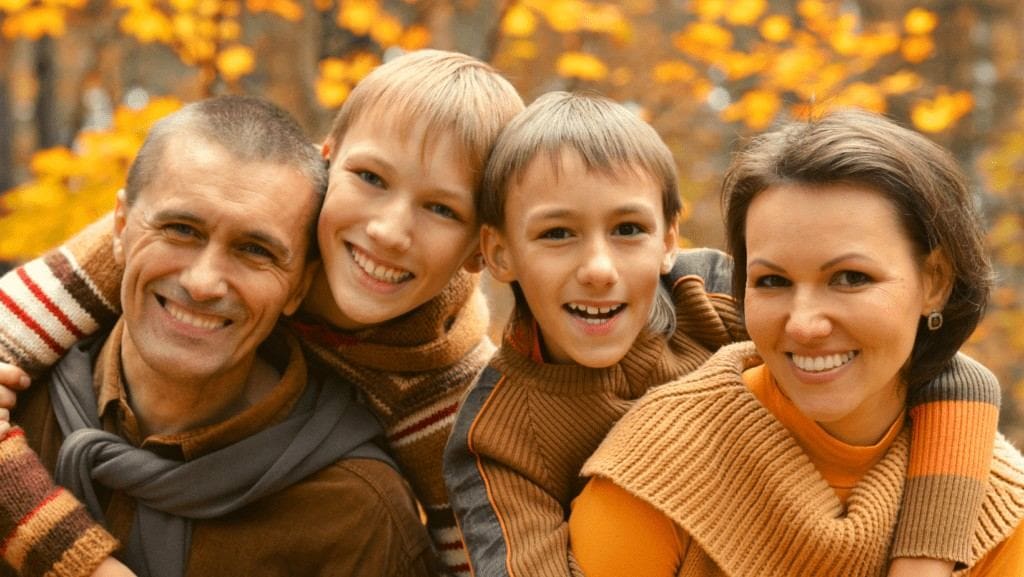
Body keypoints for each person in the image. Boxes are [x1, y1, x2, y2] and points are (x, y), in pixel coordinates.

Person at [0, 48, 524, 577]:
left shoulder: (445, 384)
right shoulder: (213, 221)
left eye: (441, 208)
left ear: (482, 249)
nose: (389, 230)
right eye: (370, 177)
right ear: (327, 163)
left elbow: (489, 557)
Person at [445, 94, 1006, 577]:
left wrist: (924, 555)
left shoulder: (707, 295)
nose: (598, 268)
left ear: (669, 239)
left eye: (628, 229)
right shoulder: (495, 439)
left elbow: (942, 365)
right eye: (558, 232)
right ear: (498, 253)